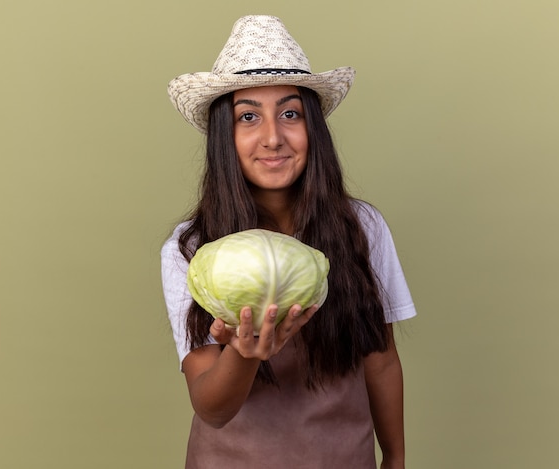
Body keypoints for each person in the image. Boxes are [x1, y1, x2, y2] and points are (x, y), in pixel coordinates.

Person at [161, 15, 417, 469]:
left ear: (312, 129)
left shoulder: (362, 225)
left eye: (290, 113)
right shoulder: (190, 246)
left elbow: (381, 358)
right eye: (248, 117)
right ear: (225, 136)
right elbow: (210, 407)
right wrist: (241, 353)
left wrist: (395, 458)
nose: (273, 137)